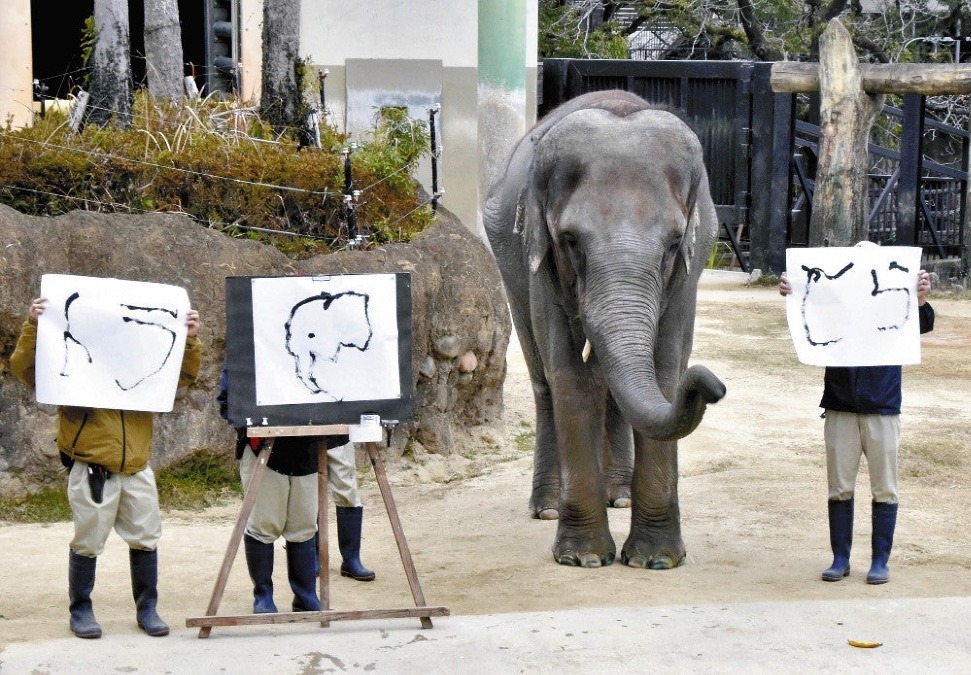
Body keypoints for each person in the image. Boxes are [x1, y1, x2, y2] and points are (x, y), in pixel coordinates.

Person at [8, 296, 202, 639]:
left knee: (146, 539)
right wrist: (34, 325)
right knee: (88, 541)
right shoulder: (74, 359)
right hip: (93, 467)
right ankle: (80, 609)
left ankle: (147, 608)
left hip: (137, 466)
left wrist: (189, 338)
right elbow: (24, 369)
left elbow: (183, 375)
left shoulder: (141, 358)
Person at [780, 258, 934, 585]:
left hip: (883, 405)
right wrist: (794, 290)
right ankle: (841, 558)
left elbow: (920, 325)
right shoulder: (837, 309)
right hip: (840, 405)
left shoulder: (892, 305)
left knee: (885, 488)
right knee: (839, 487)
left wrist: (920, 299)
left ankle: (880, 561)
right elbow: (810, 311)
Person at [217, 368, 375, 616]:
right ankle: (263, 596)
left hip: (306, 446)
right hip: (264, 447)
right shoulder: (251, 341)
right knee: (263, 524)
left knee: (303, 527)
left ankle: (305, 596)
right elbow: (231, 397)